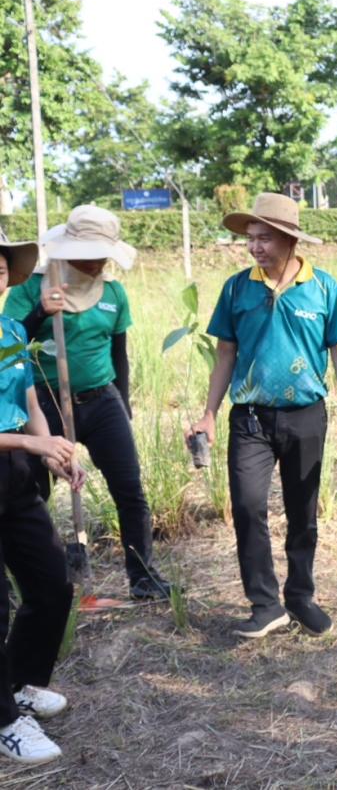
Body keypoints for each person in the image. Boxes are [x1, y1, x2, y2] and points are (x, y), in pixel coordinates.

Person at [189, 193, 337, 639]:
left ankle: (300, 596)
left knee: (302, 511)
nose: (254, 247)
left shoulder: (324, 287)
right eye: (250, 239)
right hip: (249, 418)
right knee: (249, 508)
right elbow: (225, 352)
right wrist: (209, 413)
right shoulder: (236, 288)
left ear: (289, 239)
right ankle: (265, 604)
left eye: (264, 238)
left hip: (306, 415)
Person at [2, 206, 170, 600]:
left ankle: (143, 575)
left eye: (102, 254)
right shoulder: (33, 287)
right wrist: (41, 311)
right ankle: (24, 581)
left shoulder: (113, 292)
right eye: (90, 252)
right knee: (31, 493)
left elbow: (120, 355)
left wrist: (124, 405)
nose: (97, 262)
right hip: (44, 403)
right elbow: (8, 348)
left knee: (130, 489)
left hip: (101, 398)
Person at [0, 233, 86, 764]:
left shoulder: (11, 331)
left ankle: (22, 682)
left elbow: (29, 397)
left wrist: (51, 447)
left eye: (1, 267)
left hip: (15, 474)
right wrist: (32, 441)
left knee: (52, 583)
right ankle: (6, 723)